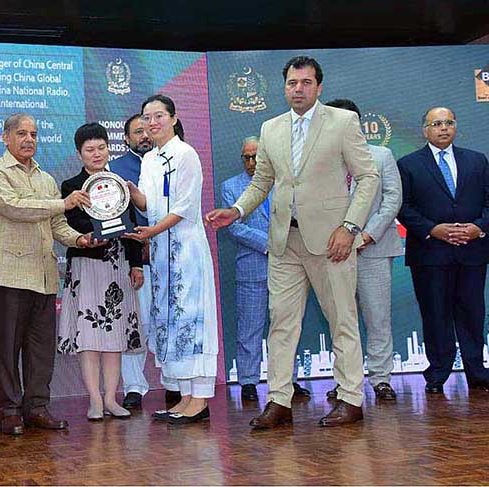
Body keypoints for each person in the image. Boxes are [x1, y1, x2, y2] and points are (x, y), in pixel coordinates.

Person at [205, 56, 378, 428]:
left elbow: (368, 178)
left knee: (342, 321)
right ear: (284, 87)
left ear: (318, 87)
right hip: (284, 242)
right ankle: (279, 401)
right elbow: (261, 182)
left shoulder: (343, 122)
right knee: (281, 323)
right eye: (292, 83)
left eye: (305, 82)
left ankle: (350, 399)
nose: (298, 89)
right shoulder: (270, 128)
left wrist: (349, 228)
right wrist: (235, 211)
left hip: (333, 241)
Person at [0, 113, 101, 435]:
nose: (29, 139)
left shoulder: (45, 179)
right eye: (21, 133)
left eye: (33, 134)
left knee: (41, 348)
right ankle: (8, 409)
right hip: (7, 274)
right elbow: (15, 207)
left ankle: (37, 407)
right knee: (6, 348)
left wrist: (80, 240)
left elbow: (56, 224)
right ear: (5, 138)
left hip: (44, 274)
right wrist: (63, 203)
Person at [126, 94, 219, 425]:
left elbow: (183, 207)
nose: (152, 123)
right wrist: (125, 192)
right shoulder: (149, 159)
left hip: (186, 251)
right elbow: (148, 203)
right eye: (146, 117)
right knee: (171, 321)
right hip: (161, 254)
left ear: (174, 118)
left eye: (158, 116)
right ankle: (184, 398)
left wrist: (150, 232)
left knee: (191, 318)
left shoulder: (186, 154)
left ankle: (201, 399)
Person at [397, 107, 489, 394]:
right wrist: (432, 229)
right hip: (430, 253)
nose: (443, 128)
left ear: (456, 126)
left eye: (449, 122)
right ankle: (437, 372)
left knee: (473, 312)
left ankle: (477, 370)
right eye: (436, 123)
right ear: (425, 130)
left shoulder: (477, 160)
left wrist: (478, 227)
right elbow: (403, 207)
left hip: (472, 250)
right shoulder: (409, 164)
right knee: (435, 313)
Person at [58, 122, 145, 420]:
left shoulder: (120, 184)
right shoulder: (71, 187)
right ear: (79, 154)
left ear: (109, 149)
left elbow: (131, 227)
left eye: (101, 148)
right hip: (87, 265)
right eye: (89, 150)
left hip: (118, 265)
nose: (96, 154)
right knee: (89, 337)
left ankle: (111, 398)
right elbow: (70, 226)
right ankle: (94, 399)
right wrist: (95, 230)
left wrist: (135, 263)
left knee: (114, 338)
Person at [323, 99, 403, 401]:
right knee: (341, 320)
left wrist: (366, 235)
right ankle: (347, 382)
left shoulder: (381, 155)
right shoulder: (321, 160)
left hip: (374, 248)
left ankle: (381, 378)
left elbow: (392, 198)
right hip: (333, 252)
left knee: (377, 317)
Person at [220, 136, 308, 402]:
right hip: (252, 265)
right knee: (250, 326)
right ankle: (247, 380)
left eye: (256, 156)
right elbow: (234, 227)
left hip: (290, 264)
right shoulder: (231, 187)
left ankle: (288, 380)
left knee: (286, 325)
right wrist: (270, 243)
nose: (251, 162)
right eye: (246, 157)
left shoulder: (285, 181)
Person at [108, 114, 155, 409]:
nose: (145, 135)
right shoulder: (115, 170)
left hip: (172, 253)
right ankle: (134, 386)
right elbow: (117, 217)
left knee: (168, 322)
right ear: (126, 139)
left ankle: (176, 383)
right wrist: (139, 246)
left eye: (148, 130)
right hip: (137, 255)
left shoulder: (171, 162)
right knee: (138, 322)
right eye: (138, 132)